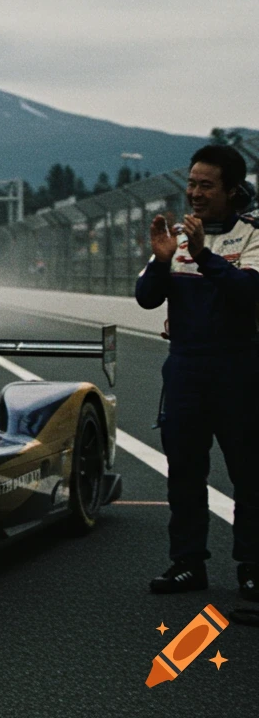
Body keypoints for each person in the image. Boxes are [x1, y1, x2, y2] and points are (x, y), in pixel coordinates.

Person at [136, 144, 259, 602]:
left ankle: (251, 567)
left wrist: (206, 256)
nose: (194, 193)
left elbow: (248, 292)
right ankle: (188, 563)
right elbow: (147, 298)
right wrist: (164, 258)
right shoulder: (179, 235)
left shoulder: (251, 234)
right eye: (191, 183)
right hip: (185, 367)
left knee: (249, 473)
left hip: (239, 366)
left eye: (206, 185)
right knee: (184, 471)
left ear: (232, 189)